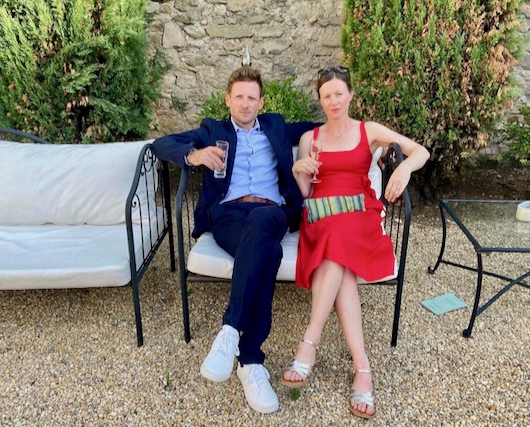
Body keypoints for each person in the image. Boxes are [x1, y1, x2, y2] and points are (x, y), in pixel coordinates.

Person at [151, 67, 317, 414]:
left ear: (261, 102)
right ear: (228, 99)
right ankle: (251, 361)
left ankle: (230, 330)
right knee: (268, 253)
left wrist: (371, 138)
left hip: (272, 211)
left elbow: (322, 129)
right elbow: (161, 144)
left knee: (264, 220)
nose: (245, 103)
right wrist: (195, 156)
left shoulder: (275, 125)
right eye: (239, 96)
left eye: (251, 97)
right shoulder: (213, 130)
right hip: (228, 214)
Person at [281, 66, 430, 419]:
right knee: (339, 252)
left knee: (339, 240)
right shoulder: (310, 139)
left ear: (350, 94)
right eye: (326, 96)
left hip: (359, 213)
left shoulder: (369, 130)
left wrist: (403, 169)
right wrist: (298, 171)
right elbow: (306, 194)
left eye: (339, 94)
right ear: (320, 101)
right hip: (322, 217)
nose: (333, 101)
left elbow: (420, 151)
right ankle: (362, 368)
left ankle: (310, 343)